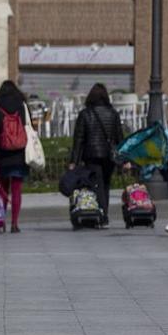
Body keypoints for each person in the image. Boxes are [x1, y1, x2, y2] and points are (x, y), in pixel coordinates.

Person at [68, 84, 124, 228]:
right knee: (105, 185)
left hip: (91, 156)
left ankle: (101, 215)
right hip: (109, 156)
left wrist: (74, 161)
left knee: (96, 185)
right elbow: (120, 138)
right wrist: (124, 159)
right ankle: (103, 215)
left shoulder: (85, 114)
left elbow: (79, 140)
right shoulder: (113, 113)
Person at [0, 80, 30, 233]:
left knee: (2, 189)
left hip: (2, 154)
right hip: (19, 153)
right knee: (17, 189)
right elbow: (25, 128)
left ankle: (1, 221)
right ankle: (15, 223)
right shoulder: (21, 107)